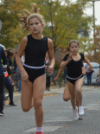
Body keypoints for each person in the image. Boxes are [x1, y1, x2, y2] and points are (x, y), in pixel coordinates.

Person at [16, 3, 55, 134]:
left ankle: (39, 130)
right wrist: (22, 71)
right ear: (28, 27)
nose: (34, 26)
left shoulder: (48, 42)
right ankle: (33, 97)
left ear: (42, 25)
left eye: (36, 23)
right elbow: (17, 56)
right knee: (26, 108)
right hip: (27, 73)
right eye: (31, 24)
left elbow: (52, 58)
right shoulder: (25, 40)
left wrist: (51, 66)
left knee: (38, 103)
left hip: (40, 73)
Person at [55, 40, 92, 120]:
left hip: (79, 78)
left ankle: (80, 107)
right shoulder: (68, 56)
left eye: (76, 47)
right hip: (70, 79)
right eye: (72, 47)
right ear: (69, 48)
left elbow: (86, 60)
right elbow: (61, 67)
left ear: (78, 48)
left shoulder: (81, 56)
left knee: (78, 90)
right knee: (71, 97)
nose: (74, 48)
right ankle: (74, 111)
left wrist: (90, 66)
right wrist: (58, 76)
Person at [0, 45, 7, 116]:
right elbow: (5, 60)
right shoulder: (1, 47)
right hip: (0, 72)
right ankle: (0, 110)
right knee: (1, 91)